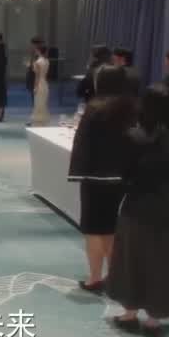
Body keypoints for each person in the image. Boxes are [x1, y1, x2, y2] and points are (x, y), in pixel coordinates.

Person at [107, 84, 169, 337]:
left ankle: (130, 314)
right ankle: (154, 320)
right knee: (163, 264)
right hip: (168, 207)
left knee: (131, 261)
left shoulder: (134, 136)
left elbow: (123, 173)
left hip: (137, 206)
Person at [68, 66, 138, 293]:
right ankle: (115, 277)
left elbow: (82, 143)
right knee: (110, 228)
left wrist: (77, 171)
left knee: (93, 229)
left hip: (95, 177)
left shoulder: (95, 108)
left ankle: (95, 277)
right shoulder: (131, 107)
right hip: (121, 177)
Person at [29, 42, 51, 127]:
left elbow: (37, 77)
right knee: (43, 103)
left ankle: (38, 122)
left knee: (38, 103)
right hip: (45, 83)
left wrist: (35, 87)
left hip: (39, 84)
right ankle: (43, 121)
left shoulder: (38, 62)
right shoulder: (47, 61)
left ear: (38, 51)